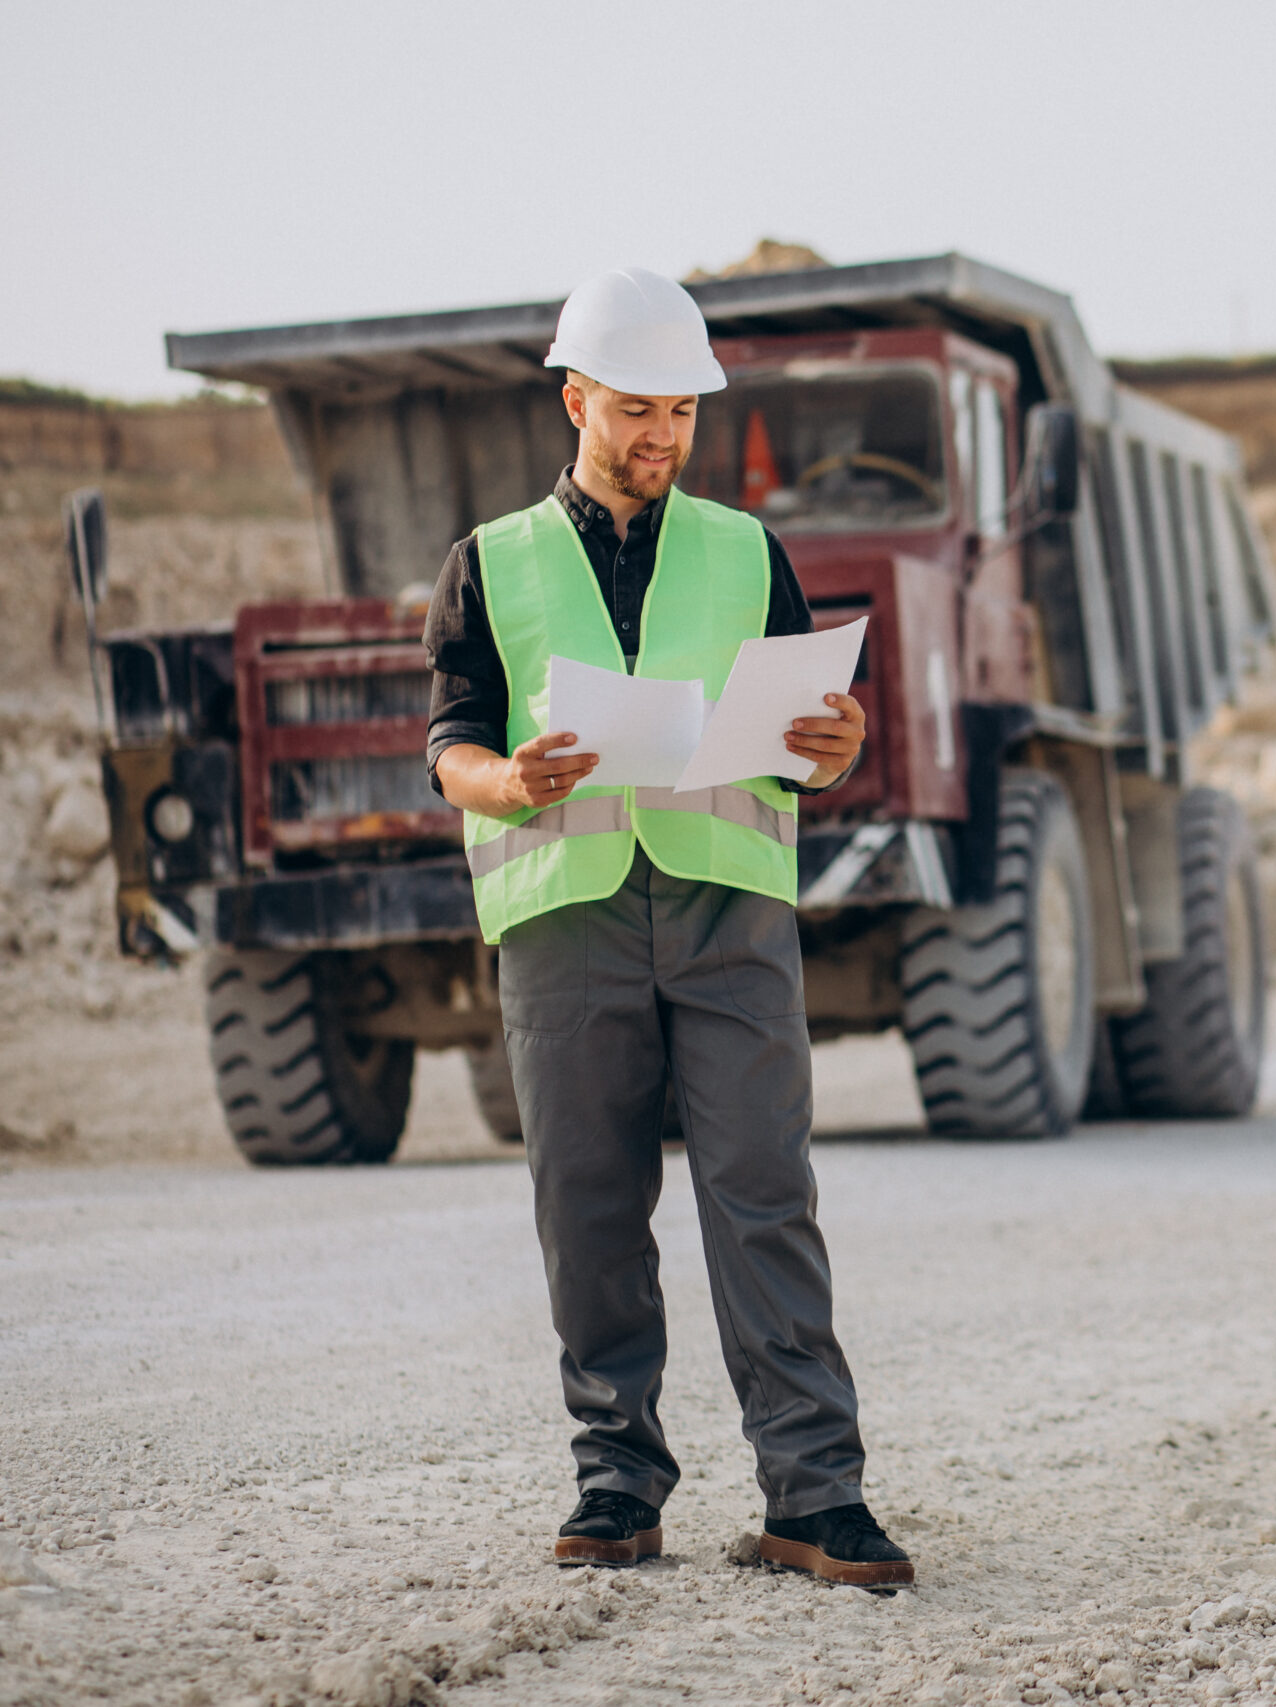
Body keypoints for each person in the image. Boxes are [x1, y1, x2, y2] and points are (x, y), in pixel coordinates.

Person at [421, 266, 911, 1589]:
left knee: (764, 1198)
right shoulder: (491, 565)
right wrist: (507, 781)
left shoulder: (749, 552)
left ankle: (817, 1496)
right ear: (576, 399)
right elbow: (451, 744)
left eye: (682, 412)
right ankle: (617, 1481)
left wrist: (835, 744)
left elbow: (809, 743)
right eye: (637, 408)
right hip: (566, 921)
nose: (663, 436)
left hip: (726, 913)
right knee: (588, 1208)